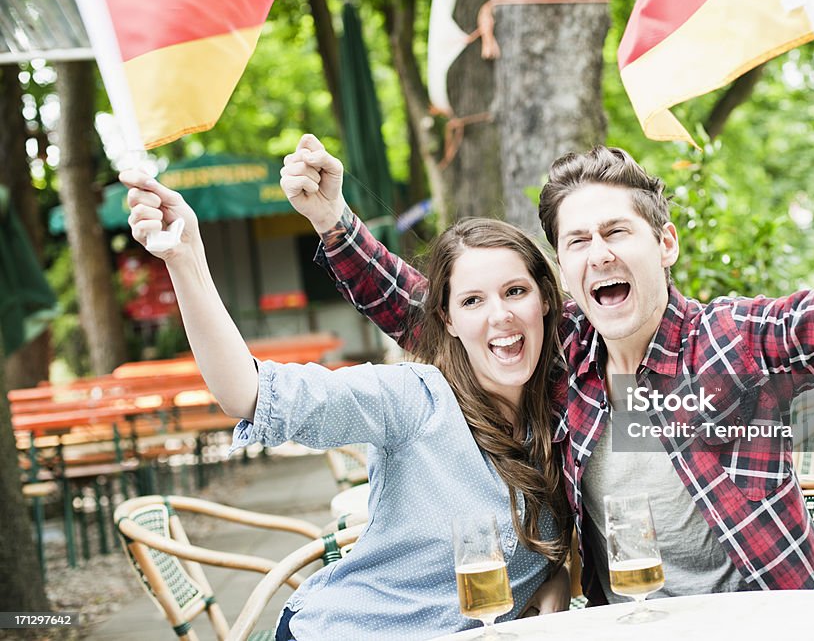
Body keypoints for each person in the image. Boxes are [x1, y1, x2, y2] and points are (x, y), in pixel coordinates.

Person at [279, 54, 814, 599]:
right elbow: (434, 316)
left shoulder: (732, 343)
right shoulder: (567, 359)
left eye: (617, 231)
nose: (599, 252)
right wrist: (335, 221)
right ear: (563, 266)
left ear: (664, 243)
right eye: (577, 240)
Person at [119, 172, 574, 639]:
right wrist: (184, 258)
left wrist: (555, 570)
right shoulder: (414, 398)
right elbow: (246, 392)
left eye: (515, 291)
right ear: (448, 320)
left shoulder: (567, 412)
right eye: (473, 300)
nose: (500, 316)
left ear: (545, 299)